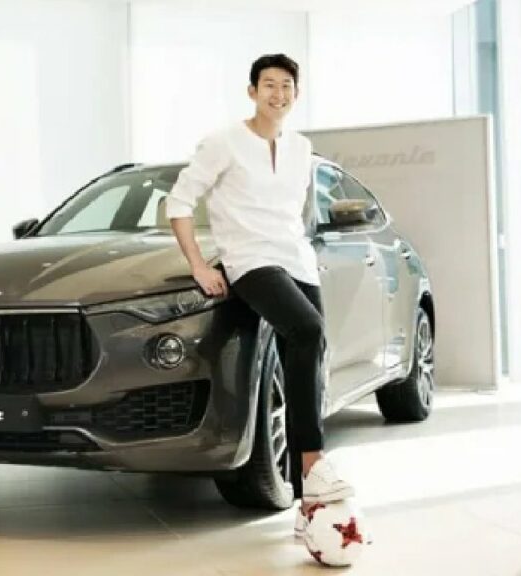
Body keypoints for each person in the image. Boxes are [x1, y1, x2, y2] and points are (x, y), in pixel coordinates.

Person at [165, 54, 355, 529]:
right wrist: (197, 265)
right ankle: (312, 466)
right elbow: (179, 202)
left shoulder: (301, 148)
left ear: (297, 93)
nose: (278, 93)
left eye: (287, 85)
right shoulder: (224, 142)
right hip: (250, 260)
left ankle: (303, 505)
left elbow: (293, 214)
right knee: (306, 329)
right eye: (269, 84)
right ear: (252, 91)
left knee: (311, 354)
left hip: (297, 259)